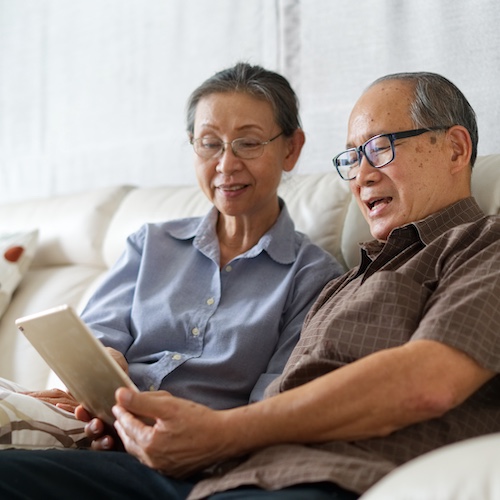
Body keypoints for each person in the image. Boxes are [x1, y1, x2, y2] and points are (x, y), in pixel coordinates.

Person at [1, 71, 499, 499]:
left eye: (380, 148)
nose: (361, 175)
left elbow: (427, 381)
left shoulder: (483, 247)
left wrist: (218, 432)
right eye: (352, 158)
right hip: (219, 474)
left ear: (454, 148)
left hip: (301, 476)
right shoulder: (352, 279)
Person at [0, 63, 340, 444]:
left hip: (190, 452)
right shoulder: (151, 243)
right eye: (210, 143)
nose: (226, 165)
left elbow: (273, 403)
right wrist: (101, 367)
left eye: (248, 142)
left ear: (291, 149)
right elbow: (96, 334)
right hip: (101, 426)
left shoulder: (313, 275)